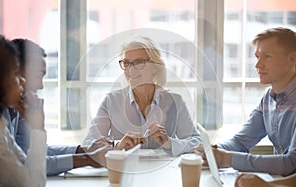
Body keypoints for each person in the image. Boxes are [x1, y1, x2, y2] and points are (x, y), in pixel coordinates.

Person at [194, 27, 296, 176]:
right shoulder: (268, 98)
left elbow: (291, 163)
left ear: (292, 59)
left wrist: (227, 158)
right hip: (279, 184)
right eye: (257, 57)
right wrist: (212, 151)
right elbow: (241, 142)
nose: (257, 65)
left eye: (267, 56)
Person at [8, 38, 112, 176]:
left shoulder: (17, 108)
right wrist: (86, 159)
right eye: (37, 75)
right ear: (13, 71)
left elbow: (33, 152)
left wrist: (83, 150)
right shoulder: (1, 113)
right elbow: (26, 165)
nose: (40, 86)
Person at [83, 36, 202, 156]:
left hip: (163, 171)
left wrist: (169, 143)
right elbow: (88, 143)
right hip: (123, 171)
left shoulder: (175, 101)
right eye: (126, 63)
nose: (131, 70)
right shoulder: (111, 101)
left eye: (139, 62)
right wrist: (117, 145)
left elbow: (197, 142)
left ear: (155, 67)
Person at [0, 35, 46, 187]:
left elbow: (26, 169)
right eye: (15, 74)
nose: (22, 81)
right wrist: (38, 129)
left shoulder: (0, 126)